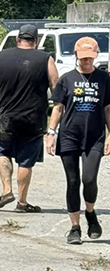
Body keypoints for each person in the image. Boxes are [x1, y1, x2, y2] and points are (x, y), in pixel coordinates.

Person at [0, 24, 59, 212]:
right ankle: (22, 203)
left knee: (3, 152)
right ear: (36, 41)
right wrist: (58, 110)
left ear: (17, 39)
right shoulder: (46, 59)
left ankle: (7, 190)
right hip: (33, 119)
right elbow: (56, 87)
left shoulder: (1, 57)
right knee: (26, 161)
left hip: (5, 118)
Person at [46, 37, 110, 245]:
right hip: (69, 136)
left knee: (89, 179)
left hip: (95, 137)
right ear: (76, 56)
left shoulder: (104, 79)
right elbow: (58, 108)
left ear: (96, 55)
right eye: (83, 58)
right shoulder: (67, 79)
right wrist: (51, 133)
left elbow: (108, 109)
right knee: (72, 182)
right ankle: (75, 227)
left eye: (90, 58)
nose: (86, 62)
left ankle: (90, 213)